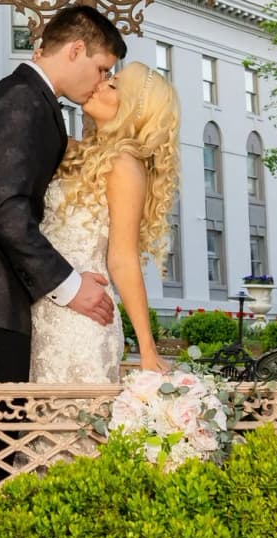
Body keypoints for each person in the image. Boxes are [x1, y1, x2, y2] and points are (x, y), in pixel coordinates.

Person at [0, 4, 127, 510]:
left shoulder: (29, 98)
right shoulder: (24, 102)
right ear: (76, 49)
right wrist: (70, 286)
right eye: (101, 68)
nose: (101, 81)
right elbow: (5, 207)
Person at [30, 61, 179, 383]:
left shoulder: (124, 165)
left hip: (83, 321)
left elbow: (122, 259)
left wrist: (147, 349)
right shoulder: (74, 152)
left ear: (133, 111)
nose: (99, 84)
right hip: (43, 306)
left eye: (112, 85)